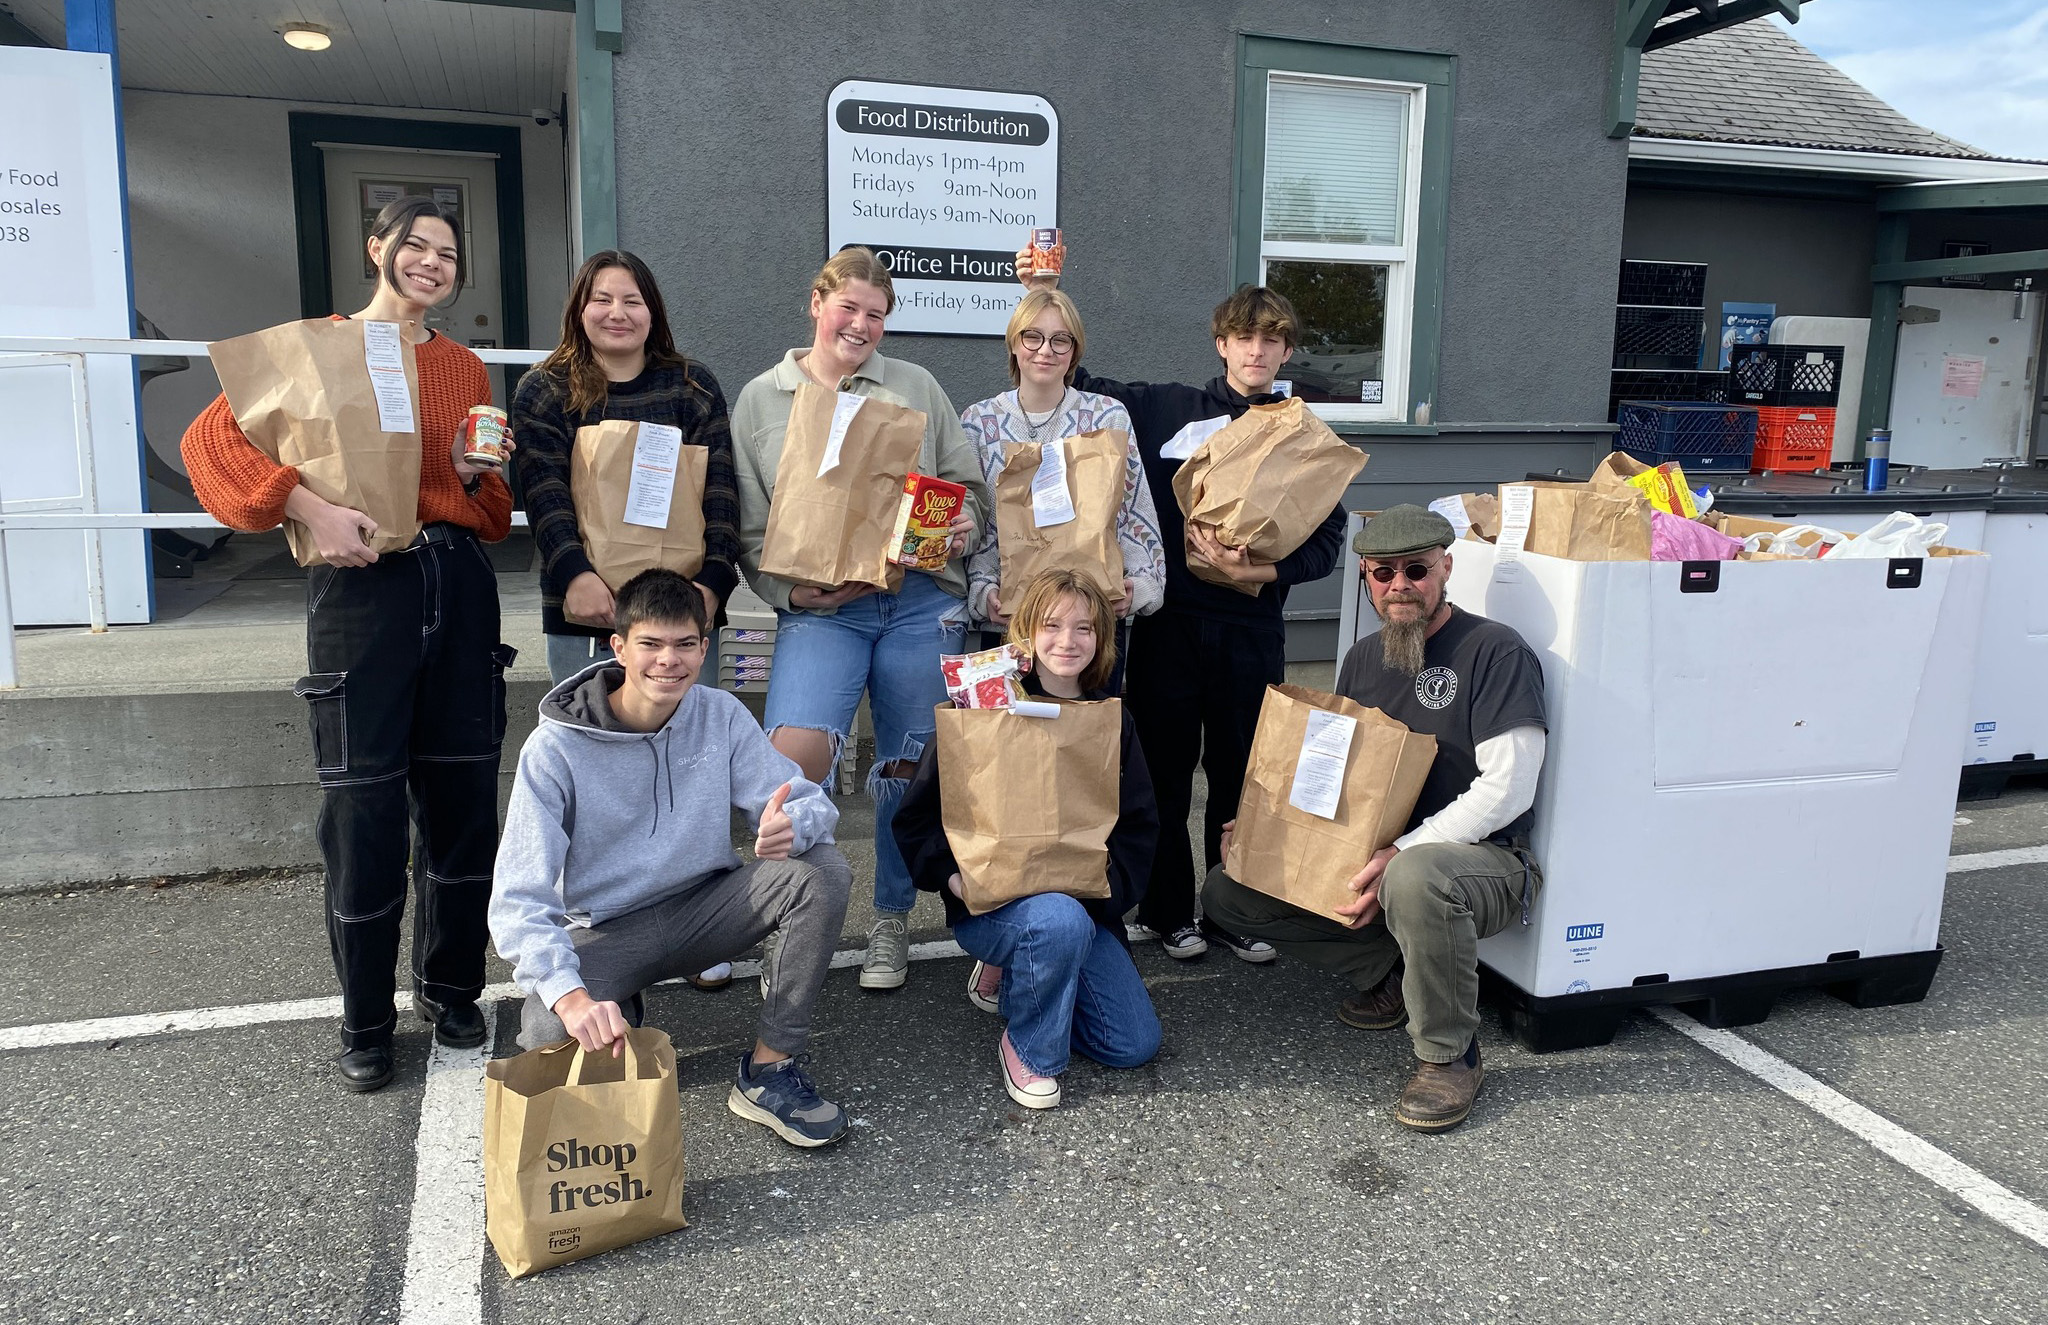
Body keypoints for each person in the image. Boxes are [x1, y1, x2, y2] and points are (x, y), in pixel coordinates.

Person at [181, 196, 515, 1092]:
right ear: (378, 250)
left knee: (461, 800)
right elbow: (209, 443)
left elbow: (485, 514)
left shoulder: (466, 368)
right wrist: (308, 505)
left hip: (456, 580)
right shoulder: (316, 347)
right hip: (361, 588)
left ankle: (450, 987)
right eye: (417, 246)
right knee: (361, 810)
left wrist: (481, 478)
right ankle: (364, 1014)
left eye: (448, 253)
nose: (433, 263)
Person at [1033, 264, 1347, 964]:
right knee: (1167, 774)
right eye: (1243, 338)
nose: (1256, 352)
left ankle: (1234, 907)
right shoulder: (1168, 408)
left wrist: (1258, 571)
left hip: (1252, 628)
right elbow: (1076, 378)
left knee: (1241, 775)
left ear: (1287, 351)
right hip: (1172, 625)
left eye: (1271, 341)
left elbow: (1329, 538)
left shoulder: (1300, 433)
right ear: (1220, 343)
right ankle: (1170, 909)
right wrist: (1046, 289)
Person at [1202, 505, 1548, 1132]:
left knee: (1416, 878)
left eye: (1416, 570)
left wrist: (1400, 853)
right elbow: (1335, 770)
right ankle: (1388, 971)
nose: (1400, 586)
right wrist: (1265, 830)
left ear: (1446, 567)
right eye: (1382, 572)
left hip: (1483, 864)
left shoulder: (1493, 650)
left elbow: (1510, 789)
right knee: (1230, 891)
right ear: (1365, 576)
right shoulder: (1363, 659)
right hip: (1381, 855)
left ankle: (1448, 1055)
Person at [489, 569, 855, 1148]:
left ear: (704, 647)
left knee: (822, 871)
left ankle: (769, 1070)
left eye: (685, 644)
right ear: (618, 647)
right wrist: (572, 993)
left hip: (702, 909)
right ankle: (615, 999)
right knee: (547, 1028)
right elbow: (516, 897)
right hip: (606, 930)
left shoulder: (719, 713)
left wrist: (792, 825)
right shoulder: (555, 747)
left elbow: (806, 801)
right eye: (650, 644)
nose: (669, 661)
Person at [730, 246, 991, 993]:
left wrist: (957, 526)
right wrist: (789, 595)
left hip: (919, 601)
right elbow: (750, 530)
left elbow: (965, 489)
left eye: (876, 314)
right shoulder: (761, 400)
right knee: (791, 760)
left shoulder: (917, 386)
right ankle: (784, 912)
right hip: (822, 611)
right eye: (849, 307)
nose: (862, 324)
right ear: (817, 303)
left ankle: (890, 917)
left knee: (905, 771)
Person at [512, 249, 741, 990]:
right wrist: (575, 573)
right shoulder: (545, 389)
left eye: (632, 300)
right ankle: (599, 916)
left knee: (686, 766)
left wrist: (710, 584)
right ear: (579, 307)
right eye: (602, 299)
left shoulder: (691, 384)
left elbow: (723, 493)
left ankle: (700, 924)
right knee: (594, 765)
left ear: (654, 310)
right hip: (582, 604)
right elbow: (540, 486)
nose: (617, 313)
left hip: (679, 616)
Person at [892, 569, 1162, 1108]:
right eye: (1052, 624)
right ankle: (1030, 1049)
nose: (1068, 640)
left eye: (1085, 627)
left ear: (1102, 638)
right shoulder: (981, 713)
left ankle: (1025, 971)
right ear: (1026, 633)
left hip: (1082, 909)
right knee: (1054, 920)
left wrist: (1094, 890)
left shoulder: (1111, 722)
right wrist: (952, 878)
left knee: (1132, 1043)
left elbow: (1138, 829)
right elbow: (918, 818)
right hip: (993, 906)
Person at [958, 288, 1167, 686]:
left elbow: (1133, 509)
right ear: (1014, 344)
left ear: (1074, 351)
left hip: (1090, 627)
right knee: (1009, 743)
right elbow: (979, 525)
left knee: (1088, 741)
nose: (1045, 351)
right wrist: (983, 593)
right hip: (1010, 625)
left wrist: (1140, 584)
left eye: (1060, 340)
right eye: (1032, 337)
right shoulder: (978, 422)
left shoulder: (1106, 416)